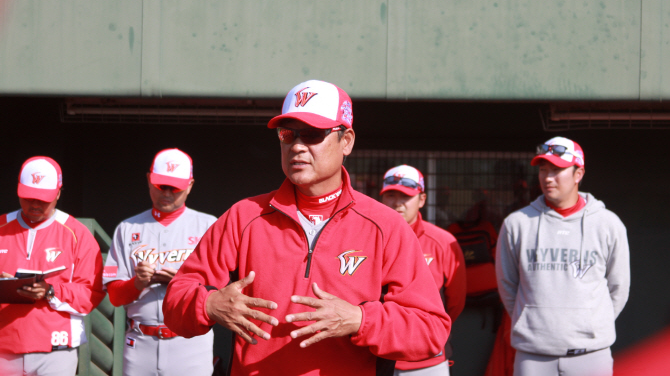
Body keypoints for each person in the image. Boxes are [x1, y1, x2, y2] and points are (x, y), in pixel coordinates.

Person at [163, 80, 451, 376]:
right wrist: (209, 303)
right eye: (287, 134)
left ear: (347, 141)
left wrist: (360, 320)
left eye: (313, 134)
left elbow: (430, 330)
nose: (297, 146)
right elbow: (174, 302)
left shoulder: (385, 226)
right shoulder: (244, 216)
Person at [495, 137, 630, 376]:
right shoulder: (517, 224)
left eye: (557, 170)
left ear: (578, 173)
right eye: (543, 170)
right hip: (532, 356)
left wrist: (591, 322)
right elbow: (508, 285)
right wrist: (532, 319)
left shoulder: (608, 223)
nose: (547, 178)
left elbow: (618, 287)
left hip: (591, 355)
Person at [103, 148, 217, 376]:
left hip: (190, 345)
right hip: (140, 343)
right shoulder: (128, 229)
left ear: (190, 185)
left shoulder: (208, 226)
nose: (166, 192)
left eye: (174, 187)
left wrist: (181, 282)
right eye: (160, 185)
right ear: (149, 180)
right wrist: (137, 282)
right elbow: (115, 297)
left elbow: (218, 291)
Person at [0, 156, 105, 376]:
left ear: (58, 193)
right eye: (29, 197)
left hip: (56, 348)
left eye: (43, 198)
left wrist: (50, 290)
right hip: (3, 347)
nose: (35, 204)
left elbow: (91, 293)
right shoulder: (2, 227)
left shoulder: (78, 234)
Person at [380, 164, 466, 376]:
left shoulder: (443, 242)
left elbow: (455, 302)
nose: (398, 203)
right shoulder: (368, 238)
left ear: (422, 199)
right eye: (391, 195)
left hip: (426, 361)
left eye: (405, 196)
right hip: (375, 357)